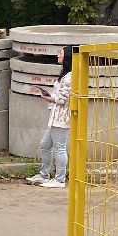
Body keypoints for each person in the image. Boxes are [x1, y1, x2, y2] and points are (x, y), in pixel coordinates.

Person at [28, 48, 72, 190]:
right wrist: (50, 97)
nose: (57, 55)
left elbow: (63, 98)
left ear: (67, 57)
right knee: (45, 145)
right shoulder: (65, 74)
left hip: (62, 117)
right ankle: (44, 175)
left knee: (59, 148)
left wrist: (50, 98)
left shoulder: (70, 76)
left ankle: (59, 179)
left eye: (61, 53)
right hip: (55, 116)